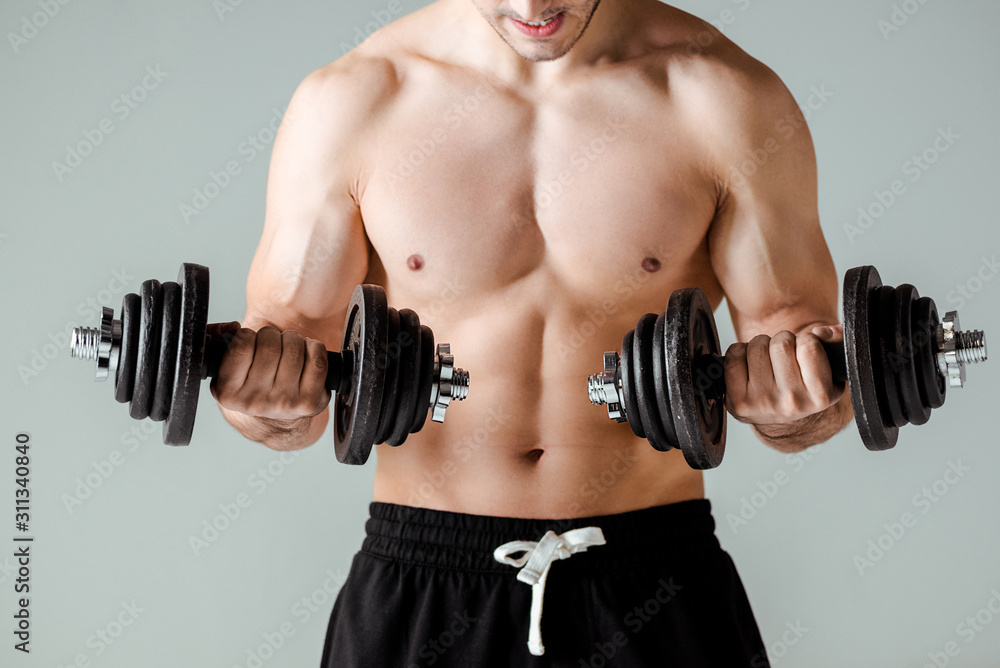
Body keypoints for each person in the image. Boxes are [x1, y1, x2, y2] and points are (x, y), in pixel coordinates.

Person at [208, 0, 852, 665]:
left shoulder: (723, 98)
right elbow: (288, 374)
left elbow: (802, 364)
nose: (532, 6)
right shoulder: (354, 103)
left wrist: (795, 409)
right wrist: (265, 403)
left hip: (654, 580)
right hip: (423, 581)